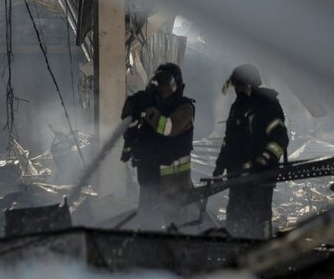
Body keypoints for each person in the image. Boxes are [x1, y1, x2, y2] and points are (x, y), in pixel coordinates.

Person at [213, 64, 288, 239]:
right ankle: (236, 256)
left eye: (240, 86)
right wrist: (220, 165)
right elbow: (229, 140)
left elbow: (279, 139)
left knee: (258, 221)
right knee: (235, 218)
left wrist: (263, 161)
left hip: (260, 179)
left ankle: (262, 254)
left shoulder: (267, 105)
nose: (237, 90)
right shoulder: (238, 106)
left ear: (250, 84)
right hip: (237, 176)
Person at [121, 63, 195, 229]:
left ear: (176, 85)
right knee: (148, 225)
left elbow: (168, 128)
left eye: (165, 84)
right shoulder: (151, 105)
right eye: (159, 83)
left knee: (177, 227)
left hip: (174, 183)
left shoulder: (185, 108)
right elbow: (128, 126)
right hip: (149, 178)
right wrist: (132, 105)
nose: (161, 88)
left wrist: (149, 111)